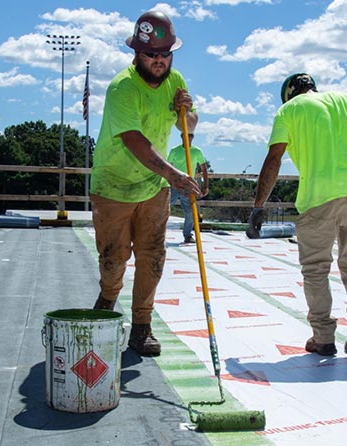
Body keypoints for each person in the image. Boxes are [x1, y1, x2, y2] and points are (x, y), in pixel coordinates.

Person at [246, 73, 347, 358]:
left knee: (316, 269)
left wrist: (259, 205)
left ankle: (323, 338)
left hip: (318, 199)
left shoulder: (288, 111)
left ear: (290, 93)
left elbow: (274, 158)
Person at [90, 10, 201, 357]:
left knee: (153, 257)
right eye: (151, 54)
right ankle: (107, 300)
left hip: (154, 186)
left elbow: (189, 125)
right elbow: (134, 139)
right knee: (114, 258)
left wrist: (188, 107)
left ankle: (141, 326)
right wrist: (174, 174)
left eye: (165, 53)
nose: (159, 60)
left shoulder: (175, 79)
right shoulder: (122, 87)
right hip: (114, 186)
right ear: (136, 53)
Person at [167, 132, 210, 243]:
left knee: (190, 212)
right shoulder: (174, 151)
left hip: (189, 185)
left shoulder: (197, 151)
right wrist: (170, 182)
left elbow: (204, 169)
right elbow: (168, 167)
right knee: (164, 209)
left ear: (193, 137)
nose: (188, 138)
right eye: (186, 135)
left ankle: (187, 235)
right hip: (175, 184)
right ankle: (156, 234)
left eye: (190, 135)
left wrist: (206, 186)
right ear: (181, 137)